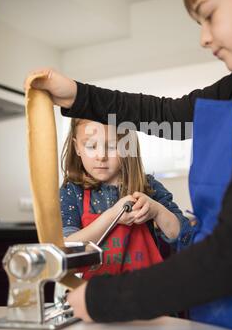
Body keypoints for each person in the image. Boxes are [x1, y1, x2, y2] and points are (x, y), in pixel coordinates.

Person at [27, 0, 232, 330]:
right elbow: (162, 113)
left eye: (208, 15)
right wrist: (78, 94)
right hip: (223, 320)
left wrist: (106, 298)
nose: (204, 38)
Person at [60, 117, 190, 279]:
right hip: (94, 296)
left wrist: (156, 211)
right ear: (77, 147)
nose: (101, 156)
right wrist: (113, 216)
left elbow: (184, 237)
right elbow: (68, 249)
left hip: (147, 292)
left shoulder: (148, 185)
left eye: (112, 146)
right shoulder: (72, 191)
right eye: (91, 146)